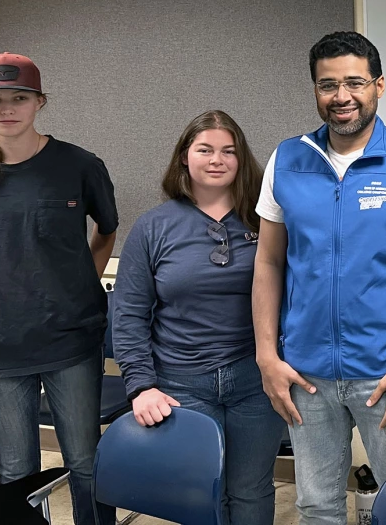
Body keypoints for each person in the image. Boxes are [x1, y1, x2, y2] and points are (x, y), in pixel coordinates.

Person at [251, 31, 386, 525]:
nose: (341, 96)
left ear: (379, 85)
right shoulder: (287, 159)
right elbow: (269, 263)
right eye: (327, 85)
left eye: (355, 82)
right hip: (306, 374)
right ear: (315, 91)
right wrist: (267, 357)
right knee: (316, 505)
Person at [0, 52, 118, 525]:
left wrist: (80, 280)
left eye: (18, 98)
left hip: (72, 339)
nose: (6, 109)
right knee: (16, 470)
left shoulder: (79, 164)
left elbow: (106, 229)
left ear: (39, 101)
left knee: (85, 462)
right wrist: (5, 281)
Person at [113, 110, 280, 524]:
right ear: (184, 157)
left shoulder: (267, 222)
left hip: (255, 381)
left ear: (242, 160)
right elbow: (129, 314)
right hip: (181, 383)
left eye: (229, 151)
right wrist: (140, 386)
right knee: (202, 489)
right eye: (204, 149)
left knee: (252, 489)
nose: (216, 159)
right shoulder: (153, 227)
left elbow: (292, 295)